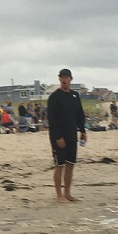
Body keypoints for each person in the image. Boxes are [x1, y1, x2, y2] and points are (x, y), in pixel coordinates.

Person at [47, 68, 86, 203]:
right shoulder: (54, 97)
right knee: (60, 165)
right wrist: (57, 137)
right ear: (59, 79)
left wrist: (83, 131)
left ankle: (68, 193)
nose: (64, 80)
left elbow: (80, 115)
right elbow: (52, 120)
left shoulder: (75, 95)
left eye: (66, 77)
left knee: (70, 164)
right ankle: (59, 195)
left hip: (71, 135)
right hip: (59, 137)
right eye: (62, 77)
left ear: (71, 79)